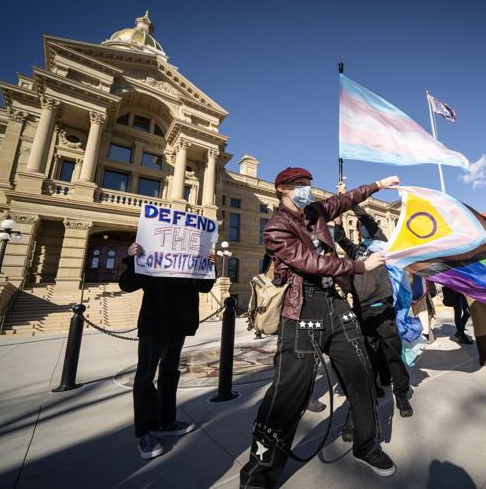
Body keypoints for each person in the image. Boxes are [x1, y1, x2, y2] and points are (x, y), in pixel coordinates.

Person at [240, 168, 400, 488]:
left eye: (309, 185)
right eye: (300, 186)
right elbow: (309, 263)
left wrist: (377, 185)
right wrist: (358, 265)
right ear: (282, 190)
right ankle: (260, 473)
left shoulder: (317, 212)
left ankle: (366, 444)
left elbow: (346, 198)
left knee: (361, 373)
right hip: (301, 309)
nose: (307, 191)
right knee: (288, 394)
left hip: (334, 302)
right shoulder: (276, 228)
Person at [119, 243, 216, 460]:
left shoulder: (190, 258)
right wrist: (134, 258)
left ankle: (167, 421)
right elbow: (127, 284)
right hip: (153, 322)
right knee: (145, 376)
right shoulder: (152, 254)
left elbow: (205, 287)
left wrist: (209, 266)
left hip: (179, 323)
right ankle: (145, 431)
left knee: (170, 373)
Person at [332, 191, 412, 418]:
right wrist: (338, 213)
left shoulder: (382, 245)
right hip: (361, 310)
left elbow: (366, 218)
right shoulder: (356, 251)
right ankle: (371, 390)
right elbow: (339, 236)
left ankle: (402, 396)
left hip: (383, 308)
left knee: (393, 356)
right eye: (359, 228)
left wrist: (350, 200)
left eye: (364, 226)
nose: (362, 228)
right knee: (367, 356)